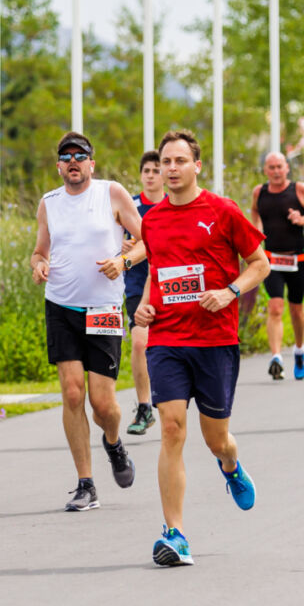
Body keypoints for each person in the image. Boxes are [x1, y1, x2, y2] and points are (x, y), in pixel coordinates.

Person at [133, 129, 267, 567]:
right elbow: (156, 271)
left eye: (179, 161)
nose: (171, 169)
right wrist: (144, 306)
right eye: (166, 162)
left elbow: (260, 264)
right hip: (167, 338)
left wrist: (230, 292)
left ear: (197, 166)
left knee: (216, 440)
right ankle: (175, 534)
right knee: (171, 429)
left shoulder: (222, 211)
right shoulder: (152, 219)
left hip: (215, 340)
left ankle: (230, 465)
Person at [32, 132, 147, 512]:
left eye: (80, 156)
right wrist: (39, 265)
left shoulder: (111, 193)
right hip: (61, 306)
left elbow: (148, 241)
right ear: (58, 166)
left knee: (103, 403)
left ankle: (113, 443)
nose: (73, 162)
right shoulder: (49, 203)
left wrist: (123, 262)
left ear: (91, 164)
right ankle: (86, 483)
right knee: (71, 393)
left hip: (103, 308)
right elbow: (39, 251)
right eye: (66, 157)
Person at [250, 152, 304, 381]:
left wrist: (303, 219)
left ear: (287, 168)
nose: (276, 171)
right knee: (275, 307)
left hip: (297, 259)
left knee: (296, 310)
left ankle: (299, 350)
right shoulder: (259, 192)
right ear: (265, 170)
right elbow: (255, 211)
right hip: (271, 259)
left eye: (279, 166)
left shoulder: (300, 190)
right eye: (271, 167)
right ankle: (276, 357)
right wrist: (256, 231)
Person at [123, 151, 165, 435]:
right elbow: (111, 241)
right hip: (138, 287)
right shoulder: (130, 205)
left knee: (167, 347)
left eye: (155, 170)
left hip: (169, 286)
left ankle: (175, 400)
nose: (150, 175)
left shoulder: (173, 204)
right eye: (146, 170)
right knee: (140, 343)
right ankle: (144, 407)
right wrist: (122, 248)